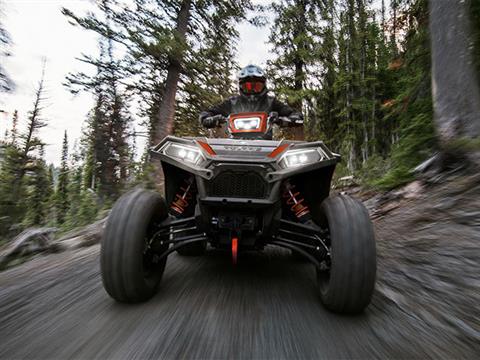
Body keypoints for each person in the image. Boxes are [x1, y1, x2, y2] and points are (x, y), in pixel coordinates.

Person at [199, 65, 303, 129]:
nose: (252, 90)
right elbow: (207, 113)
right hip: (233, 145)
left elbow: (296, 115)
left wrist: (281, 120)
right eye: (248, 86)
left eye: (256, 86)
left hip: (267, 145)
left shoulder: (271, 102)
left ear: (264, 86)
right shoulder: (232, 102)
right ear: (241, 86)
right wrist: (209, 119)